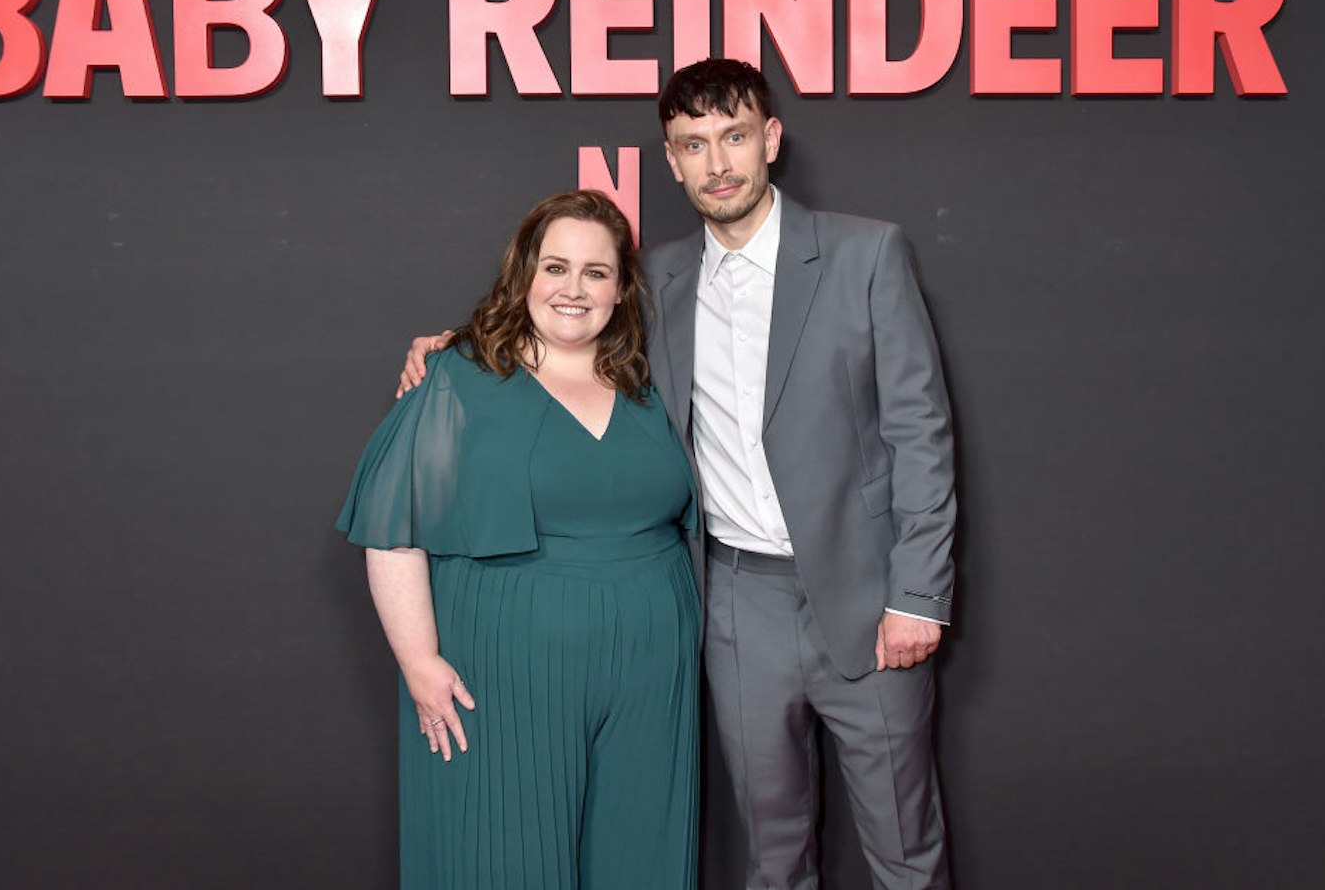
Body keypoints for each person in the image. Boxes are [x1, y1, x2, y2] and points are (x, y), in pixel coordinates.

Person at [401, 59, 956, 890]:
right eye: (693, 145)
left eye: (733, 137)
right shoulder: (657, 277)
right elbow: (561, 314)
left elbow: (921, 431)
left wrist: (918, 594)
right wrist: (457, 345)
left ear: (769, 140)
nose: (717, 163)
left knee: (904, 849)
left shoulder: (865, 254)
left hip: (867, 597)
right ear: (671, 161)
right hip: (734, 602)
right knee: (772, 853)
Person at [338, 190, 701, 890]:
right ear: (524, 276)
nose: (574, 289)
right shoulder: (457, 377)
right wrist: (418, 660)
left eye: (596, 272)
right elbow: (393, 530)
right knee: (503, 855)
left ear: (622, 287)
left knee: (640, 858)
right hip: (502, 666)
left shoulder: (652, 380)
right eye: (555, 267)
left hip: (654, 664)